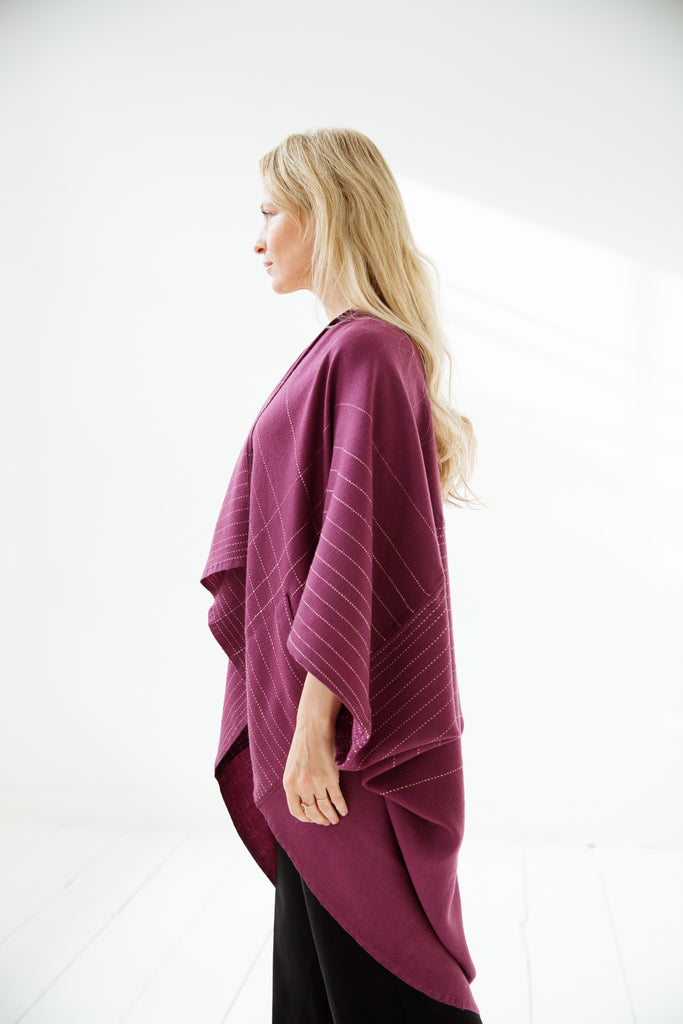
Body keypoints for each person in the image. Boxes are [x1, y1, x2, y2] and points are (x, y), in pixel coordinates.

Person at [200, 128, 484, 1023]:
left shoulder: (366, 352)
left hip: (344, 730)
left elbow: (349, 551)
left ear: (323, 215)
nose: (257, 239)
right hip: (317, 715)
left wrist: (313, 728)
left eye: (269, 213)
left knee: (371, 975)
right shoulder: (346, 348)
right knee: (318, 977)